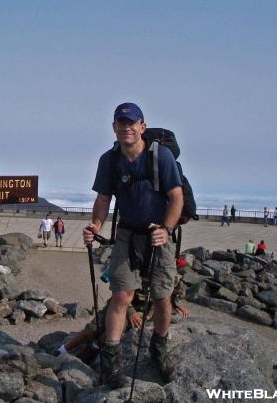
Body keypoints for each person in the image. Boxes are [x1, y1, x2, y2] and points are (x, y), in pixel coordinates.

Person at [83, 102, 184, 386]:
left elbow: (176, 197)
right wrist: (96, 226)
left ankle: (158, 349)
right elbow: (104, 199)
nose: (126, 127)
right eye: (121, 123)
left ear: (142, 126)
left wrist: (166, 229)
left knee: (163, 297)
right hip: (127, 234)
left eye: (132, 123)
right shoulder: (109, 160)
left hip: (157, 234)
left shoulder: (161, 157)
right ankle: (112, 364)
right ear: (114, 127)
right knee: (121, 297)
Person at [56, 278, 189, 364]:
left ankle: (90, 351)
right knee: (93, 328)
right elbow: (120, 288)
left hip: (142, 313)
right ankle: (63, 349)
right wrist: (130, 312)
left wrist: (175, 305)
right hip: (120, 306)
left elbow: (168, 291)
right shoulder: (136, 263)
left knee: (113, 334)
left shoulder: (164, 268)